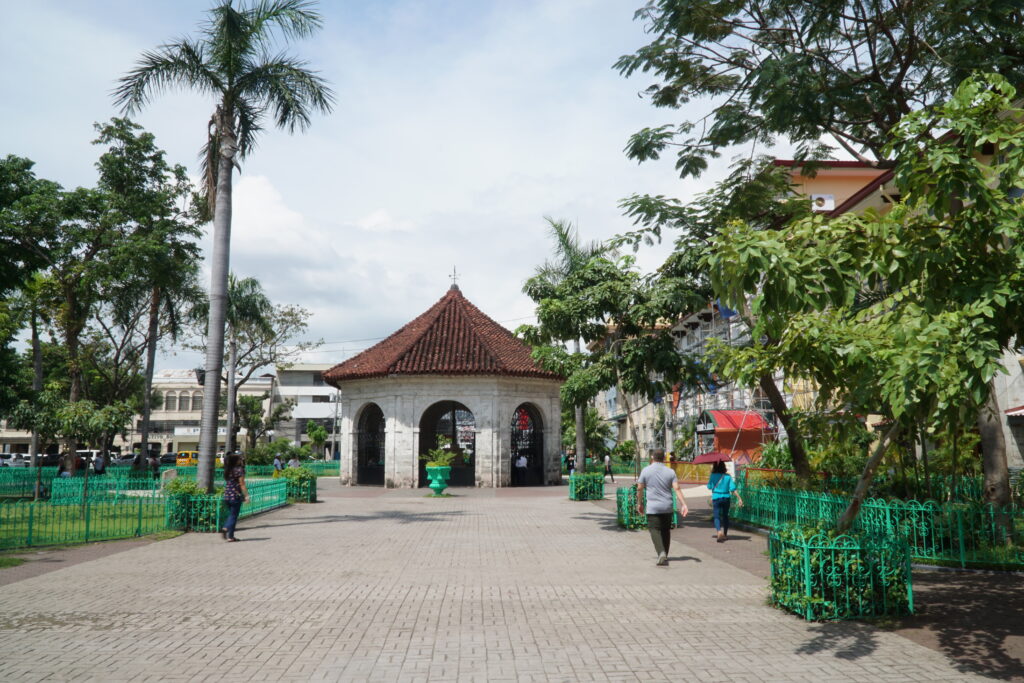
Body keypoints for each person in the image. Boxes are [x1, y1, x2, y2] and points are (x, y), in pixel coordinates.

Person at [636, 449, 688, 566]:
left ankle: (661, 553)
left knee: (654, 529)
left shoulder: (646, 470)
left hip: (653, 507)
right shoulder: (670, 472)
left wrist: (639, 503)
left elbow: (639, 488)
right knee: (665, 531)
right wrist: (684, 504)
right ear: (664, 458)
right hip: (667, 506)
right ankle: (665, 554)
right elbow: (677, 488)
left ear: (652, 457)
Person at [707, 460, 743, 542]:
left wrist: (712, 481)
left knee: (716, 516)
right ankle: (725, 534)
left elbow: (709, 487)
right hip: (726, 497)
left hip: (716, 497)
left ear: (714, 467)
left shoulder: (713, 475)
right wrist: (739, 498)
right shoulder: (728, 476)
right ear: (724, 467)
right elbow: (733, 489)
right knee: (725, 516)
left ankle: (719, 532)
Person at [221, 452, 249, 542]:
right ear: (236, 461)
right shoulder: (239, 470)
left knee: (232, 515)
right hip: (235, 496)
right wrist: (246, 496)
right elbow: (242, 484)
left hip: (227, 495)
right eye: (239, 459)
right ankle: (226, 528)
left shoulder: (228, 470)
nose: (241, 460)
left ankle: (231, 536)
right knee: (233, 516)